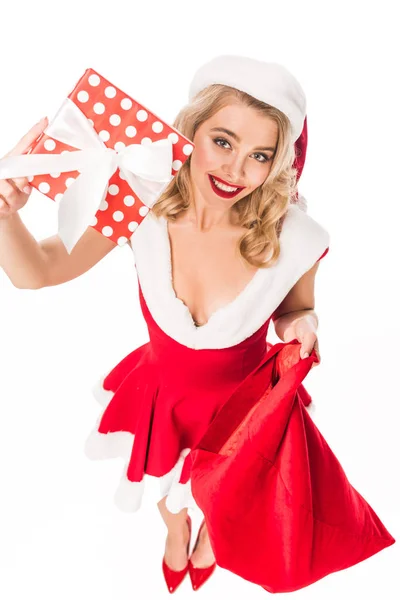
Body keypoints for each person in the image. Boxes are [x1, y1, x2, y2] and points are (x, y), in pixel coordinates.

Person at [0, 55, 331, 592]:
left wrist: (302, 325)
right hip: (166, 400)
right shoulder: (142, 203)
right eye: (223, 142)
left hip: (244, 409)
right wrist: (4, 214)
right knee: (168, 491)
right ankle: (179, 532)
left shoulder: (292, 237)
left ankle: (209, 538)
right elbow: (36, 272)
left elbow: (295, 309)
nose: (234, 170)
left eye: (259, 156)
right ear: (190, 130)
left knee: (227, 498)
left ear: (277, 163)